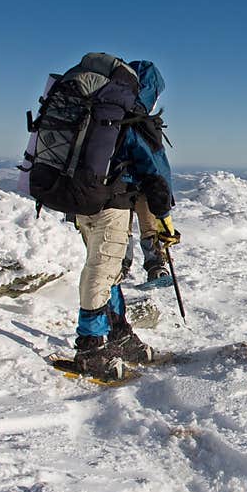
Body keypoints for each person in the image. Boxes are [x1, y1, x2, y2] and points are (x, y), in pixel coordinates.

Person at [73, 59, 180, 379]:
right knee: (101, 270)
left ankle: (118, 333)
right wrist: (164, 222)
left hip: (82, 202)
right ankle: (90, 345)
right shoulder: (132, 118)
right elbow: (156, 176)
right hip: (111, 204)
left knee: (109, 272)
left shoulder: (94, 111)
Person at [120, 194, 170, 284]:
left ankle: (155, 264)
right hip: (118, 188)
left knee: (150, 225)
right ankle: (121, 264)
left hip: (143, 186)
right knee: (121, 227)